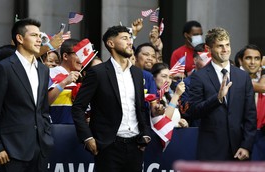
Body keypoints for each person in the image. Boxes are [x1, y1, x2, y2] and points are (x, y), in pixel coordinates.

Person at [72, 25, 151, 172]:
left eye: (130, 38)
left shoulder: (137, 73)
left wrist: (145, 133)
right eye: (124, 38)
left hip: (135, 146)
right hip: (108, 146)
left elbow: (140, 107)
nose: (130, 42)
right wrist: (88, 138)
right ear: (111, 43)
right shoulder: (98, 73)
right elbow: (78, 107)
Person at [0, 18, 53, 171]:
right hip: (11, 150)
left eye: (40, 36)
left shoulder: (43, 70)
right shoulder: (4, 68)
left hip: (40, 148)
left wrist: (46, 137)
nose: (39, 39)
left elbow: (43, 109)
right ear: (20, 38)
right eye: (34, 35)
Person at [188, 27, 256, 160]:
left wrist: (247, 145)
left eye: (227, 45)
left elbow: (250, 115)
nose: (225, 50)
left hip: (239, 151)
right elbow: (193, 111)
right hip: (211, 151)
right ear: (208, 49)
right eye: (220, 46)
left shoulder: (243, 77)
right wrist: (217, 99)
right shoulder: (199, 77)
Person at [48, 38, 82, 124]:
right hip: (55, 129)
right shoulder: (52, 73)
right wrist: (64, 82)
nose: (82, 58)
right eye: (78, 54)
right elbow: (46, 101)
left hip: (75, 130)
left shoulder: (80, 78)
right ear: (65, 56)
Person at [235, 44, 265, 130]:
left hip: (260, 133)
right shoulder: (235, 77)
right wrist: (263, 69)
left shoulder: (260, 78)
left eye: (257, 59)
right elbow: (262, 87)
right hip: (239, 131)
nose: (253, 62)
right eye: (248, 58)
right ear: (240, 61)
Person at [151, 63, 188, 128]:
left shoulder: (169, 96)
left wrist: (180, 122)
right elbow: (163, 123)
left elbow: (172, 119)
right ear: (154, 77)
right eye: (164, 76)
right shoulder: (151, 98)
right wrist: (176, 95)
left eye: (170, 77)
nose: (168, 81)